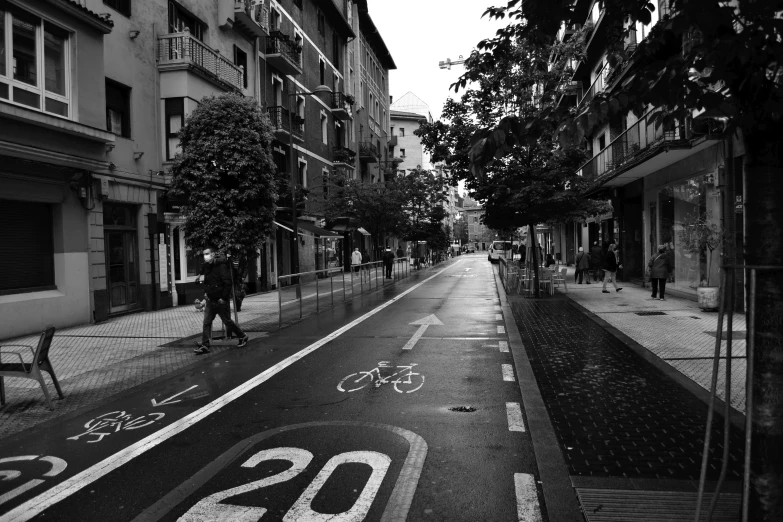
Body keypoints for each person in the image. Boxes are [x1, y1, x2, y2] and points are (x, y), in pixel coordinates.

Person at [193, 247, 248, 355]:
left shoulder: (221, 266)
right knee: (206, 322)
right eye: (204, 254)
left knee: (227, 321)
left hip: (220, 300)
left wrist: (223, 298)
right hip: (210, 299)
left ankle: (242, 336)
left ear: (213, 254)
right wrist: (206, 293)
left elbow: (228, 283)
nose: (205, 256)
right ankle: (205, 345)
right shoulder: (208, 266)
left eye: (207, 254)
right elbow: (208, 282)